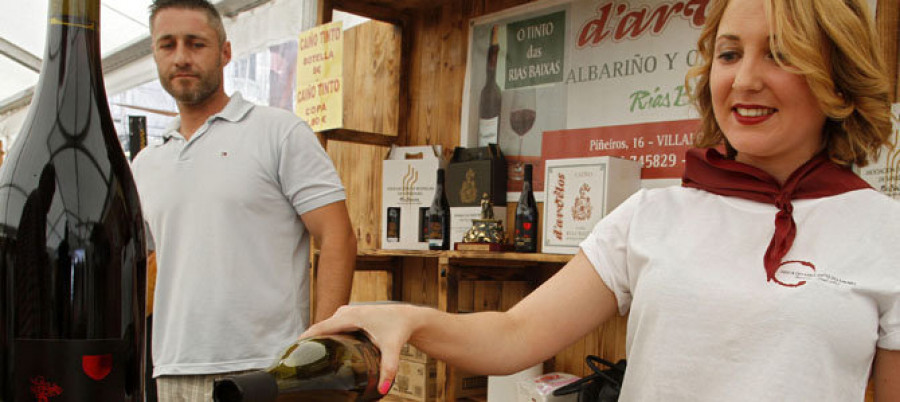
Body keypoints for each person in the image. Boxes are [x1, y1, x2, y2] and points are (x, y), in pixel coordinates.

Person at [303, 0, 900, 400]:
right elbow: (514, 335)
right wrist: (412, 317)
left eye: (782, 53)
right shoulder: (653, 214)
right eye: (729, 52)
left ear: (838, 76)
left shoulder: (886, 233)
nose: (744, 79)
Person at [132, 0, 357, 400]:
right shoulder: (145, 163)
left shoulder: (278, 133)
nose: (181, 57)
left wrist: (321, 350)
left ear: (225, 52)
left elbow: (337, 236)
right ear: (155, 54)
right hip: (172, 369)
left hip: (267, 366)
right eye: (167, 45)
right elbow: (139, 265)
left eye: (195, 43)